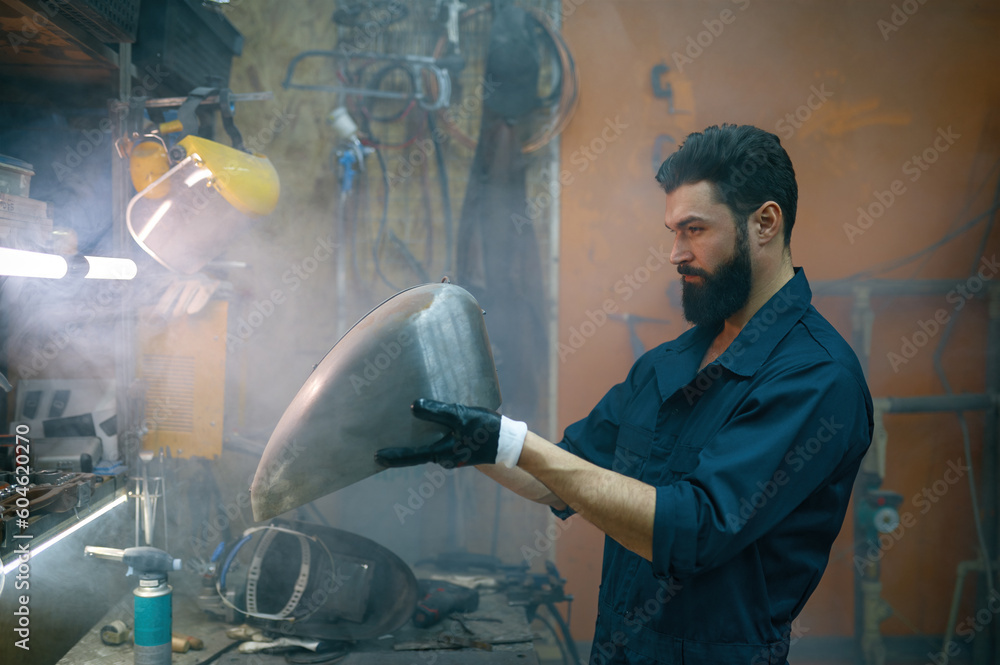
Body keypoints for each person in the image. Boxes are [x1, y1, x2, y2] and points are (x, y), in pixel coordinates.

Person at [376, 124, 874, 665]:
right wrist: (476, 441)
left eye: (694, 230)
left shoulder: (816, 378)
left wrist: (515, 442)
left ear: (765, 223)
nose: (675, 254)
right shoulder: (670, 363)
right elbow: (563, 476)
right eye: (672, 232)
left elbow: (695, 530)